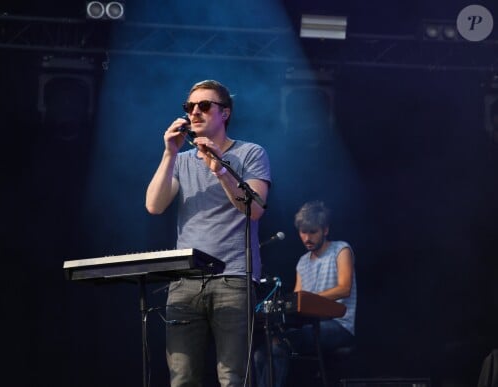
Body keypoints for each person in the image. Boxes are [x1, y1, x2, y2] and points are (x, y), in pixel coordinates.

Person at [145, 79, 271, 387]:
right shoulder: (181, 160)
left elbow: (254, 209)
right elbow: (154, 205)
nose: (195, 112)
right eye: (190, 107)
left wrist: (220, 169)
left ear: (225, 113)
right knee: (182, 378)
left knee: (233, 378)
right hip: (185, 282)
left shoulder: (250, 153)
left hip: (234, 279)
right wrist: (169, 153)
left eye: (204, 106)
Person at [254, 200, 357, 387]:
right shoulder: (302, 261)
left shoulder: (341, 250)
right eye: (303, 232)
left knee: (278, 347)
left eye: (312, 232)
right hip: (310, 326)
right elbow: (297, 301)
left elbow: (344, 288)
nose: (307, 238)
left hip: (339, 326)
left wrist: (307, 300)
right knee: (261, 353)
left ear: (325, 230)